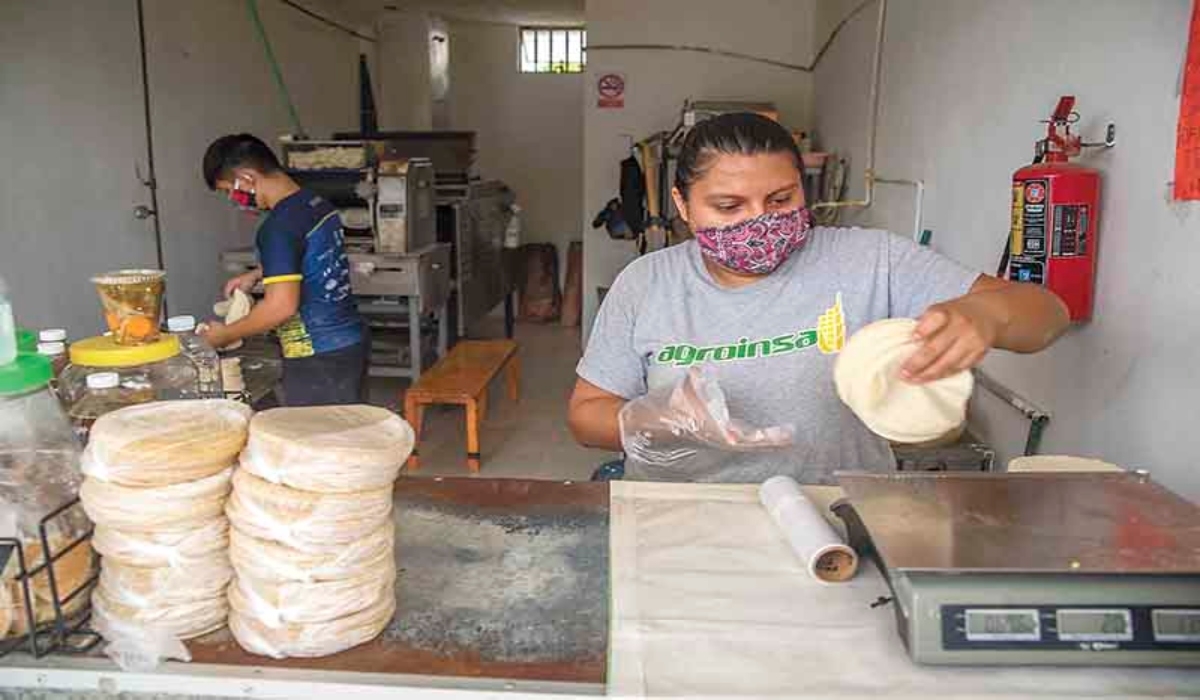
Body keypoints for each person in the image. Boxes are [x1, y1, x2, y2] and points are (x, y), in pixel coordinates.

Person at [568, 113, 1069, 484]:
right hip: (677, 521)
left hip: (835, 515)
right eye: (728, 205)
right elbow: (586, 414)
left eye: (781, 199)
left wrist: (985, 313)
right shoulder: (647, 282)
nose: (759, 220)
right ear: (682, 204)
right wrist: (659, 422)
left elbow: (1046, 315)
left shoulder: (871, 260)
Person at [200, 134, 367, 406]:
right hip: (348, 342)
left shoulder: (278, 226)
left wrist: (224, 335)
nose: (233, 198)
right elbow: (304, 253)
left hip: (316, 355)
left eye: (229, 189)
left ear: (247, 178)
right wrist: (256, 274)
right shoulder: (313, 204)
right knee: (345, 431)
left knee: (316, 441)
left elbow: (281, 307)